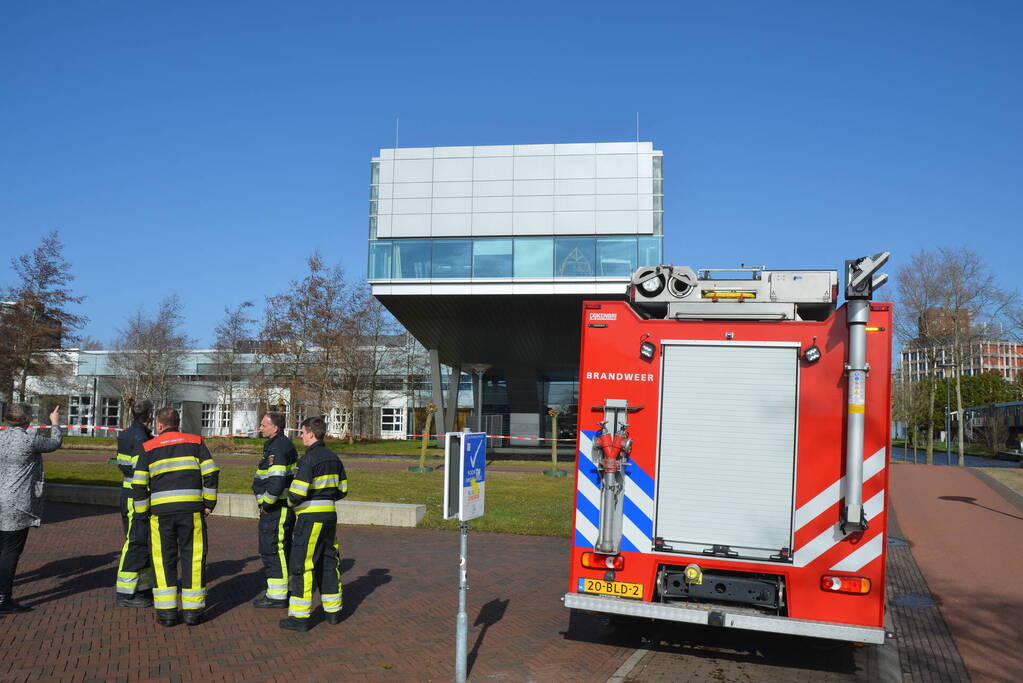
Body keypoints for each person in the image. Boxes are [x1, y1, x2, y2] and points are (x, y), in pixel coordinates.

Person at [132, 407, 219, 627]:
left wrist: (142, 513)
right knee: (194, 558)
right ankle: (193, 613)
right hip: (192, 512)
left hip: (160, 515)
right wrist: (209, 504)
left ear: (159, 425)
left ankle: (167, 614)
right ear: (178, 423)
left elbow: (139, 484)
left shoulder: (148, 447)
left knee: (162, 561)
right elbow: (211, 473)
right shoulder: (196, 442)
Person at [279, 416, 347, 632]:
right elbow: (343, 489)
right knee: (329, 561)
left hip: (310, 518)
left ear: (310, 433)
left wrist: (290, 503)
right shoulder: (334, 457)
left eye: (302, 432)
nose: (300, 436)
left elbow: (297, 493)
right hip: (330, 517)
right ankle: (333, 612)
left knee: (302, 565)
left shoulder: (308, 459)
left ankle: (299, 617)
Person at [0, 402, 62, 614]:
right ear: (26, 420)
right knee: (10, 551)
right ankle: (3, 599)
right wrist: (55, 422)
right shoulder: (29, 439)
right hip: (16, 502)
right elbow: (55, 443)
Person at [251, 412, 297, 609]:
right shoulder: (278, 444)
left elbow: (276, 481)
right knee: (281, 549)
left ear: (275, 428)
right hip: (280, 507)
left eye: (264, 425)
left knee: (272, 549)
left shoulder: (277, 448)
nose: (260, 428)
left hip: (276, 508)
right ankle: (284, 590)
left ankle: (277, 596)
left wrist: (267, 504)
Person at [114, 399, 155, 607]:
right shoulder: (142, 438)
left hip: (128, 492)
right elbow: (141, 470)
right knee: (135, 541)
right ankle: (126, 593)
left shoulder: (126, 434)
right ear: (150, 415)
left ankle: (142, 587)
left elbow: (122, 464)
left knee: (141, 541)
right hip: (137, 496)